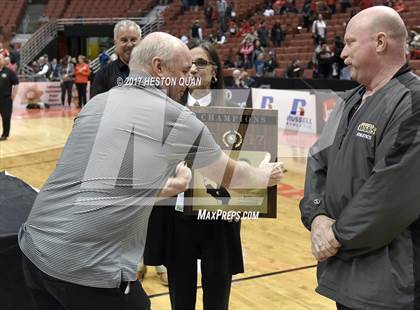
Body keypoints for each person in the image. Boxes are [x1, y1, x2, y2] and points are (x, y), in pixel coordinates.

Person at [19, 32, 283, 310]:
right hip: (87, 269)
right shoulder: (176, 118)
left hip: (34, 253)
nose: (188, 79)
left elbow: (109, 181)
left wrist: (171, 187)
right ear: (158, 68)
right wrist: (266, 174)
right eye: (183, 71)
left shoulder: (98, 103)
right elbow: (233, 177)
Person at [299, 6, 420, 310]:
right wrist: (316, 216)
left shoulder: (413, 102)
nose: (342, 54)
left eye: (350, 42)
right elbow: (317, 161)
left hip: (389, 284)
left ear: (380, 42)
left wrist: (335, 235)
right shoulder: (350, 99)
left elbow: (390, 194)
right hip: (343, 274)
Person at [144, 40, 246, 310]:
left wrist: (248, 196)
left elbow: (246, 164)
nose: (193, 69)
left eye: (201, 63)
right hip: (178, 216)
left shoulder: (236, 113)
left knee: (217, 298)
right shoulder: (165, 111)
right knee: (181, 298)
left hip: (218, 216)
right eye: (188, 64)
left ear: (215, 72)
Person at [91, 20, 142, 97]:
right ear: (115, 43)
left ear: (140, 41)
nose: (129, 44)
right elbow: (96, 107)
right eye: (124, 40)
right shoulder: (103, 74)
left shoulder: (153, 72)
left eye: (133, 40)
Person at [0, 54, 19, 141]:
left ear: (3, 60)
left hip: (6, 99)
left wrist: (13, 95)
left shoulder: (9, 72)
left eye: (0, 59)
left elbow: (16, 83)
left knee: (6, 117)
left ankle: (5, 134)